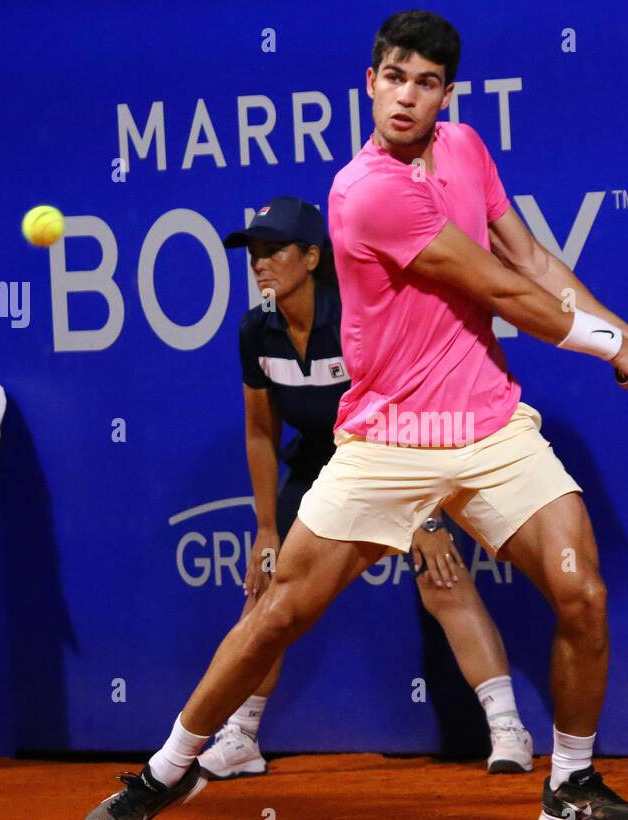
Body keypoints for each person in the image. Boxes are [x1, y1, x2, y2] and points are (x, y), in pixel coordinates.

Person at [75, 9, 628, 820]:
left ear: (447, 94)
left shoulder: (469, 151)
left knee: (582, 591)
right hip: (387, 438)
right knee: (280, 613)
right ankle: (166, 772)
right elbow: (503, 294)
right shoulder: (364, 192)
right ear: (370, 83)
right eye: (394, 77)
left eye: (427, 83)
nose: (407, 97)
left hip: (486, 424)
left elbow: (536, 265)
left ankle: (570, 782)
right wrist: (618, 348)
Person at [198, 194, 533, 780]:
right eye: (253, 253)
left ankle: (508, 727)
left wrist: (426, 516)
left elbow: (408, 404)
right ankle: (242, 735)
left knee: (442, 577)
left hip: (396, 450)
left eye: (273, 250)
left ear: (311, 256)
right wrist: (267, 529)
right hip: (319, 465)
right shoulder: (257, 330)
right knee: (269, 591)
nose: (259, 264)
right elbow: (259, 433)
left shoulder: (358, 317)